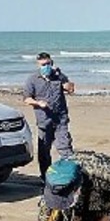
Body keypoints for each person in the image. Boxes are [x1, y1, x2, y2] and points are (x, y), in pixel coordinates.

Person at [23, 52, 76, 181]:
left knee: (65, 147)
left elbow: (70, 89)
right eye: (43, 64)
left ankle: (71, 175)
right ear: (38, 64)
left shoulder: (58, 76)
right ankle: (46, 178)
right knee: (44, 152)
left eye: (48, 64)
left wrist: (63, 79)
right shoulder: (33, 79)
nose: (46, 66)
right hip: (44, 121)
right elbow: (26, 98)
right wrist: (38, 103)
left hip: (60, 119)